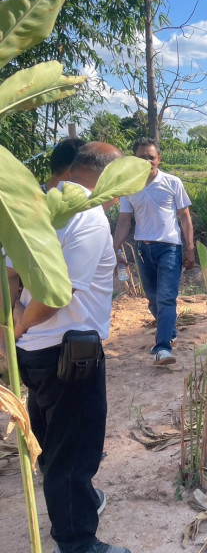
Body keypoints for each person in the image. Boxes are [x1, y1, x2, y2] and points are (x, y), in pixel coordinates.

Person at [9, 142, 131, 553]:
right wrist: (21, 325)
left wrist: (14, 328)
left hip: (34, 353)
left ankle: (77, 505)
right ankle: (77, 541)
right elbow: (56, 296)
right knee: (74, 452)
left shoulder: (38, 207)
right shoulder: (88, 218)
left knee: (51, 438)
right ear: (107, 176)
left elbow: (10, 274)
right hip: (69, 355)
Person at [113, 137, 195, 366]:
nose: (147, 161)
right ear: (134, 160)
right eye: (142, 157)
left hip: (169, 248)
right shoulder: (129, 187)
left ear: (159, 159)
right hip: (143, 250)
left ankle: (162, 349)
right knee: (153, 299)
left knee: (166, 298)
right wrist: (114, 247)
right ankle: (170, 331)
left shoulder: (172, 183)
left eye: (151, 157)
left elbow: (185, 217)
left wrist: (190, 247)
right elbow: (124, 221)